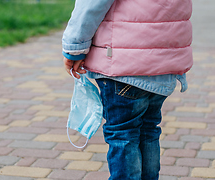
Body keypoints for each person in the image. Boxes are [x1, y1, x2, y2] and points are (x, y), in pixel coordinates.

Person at [62, 0, 193, 179]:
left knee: (123, 135)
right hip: (163, 64)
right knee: (148, 130)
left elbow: (91, 4)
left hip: (121, 66)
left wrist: (74, 48)